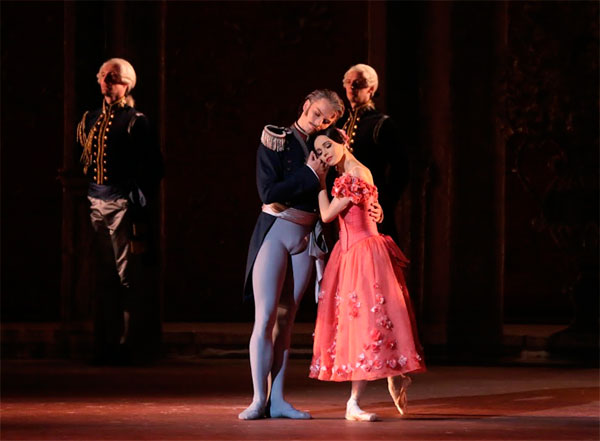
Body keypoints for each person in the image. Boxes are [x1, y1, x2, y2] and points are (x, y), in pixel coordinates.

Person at [239, 90, 345, 420]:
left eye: (327, 119)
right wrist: (311, 175)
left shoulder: (324, 147)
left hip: (306, 236)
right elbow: (269, 193)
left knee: (287, 321)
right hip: (276, 232)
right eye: (316, 114)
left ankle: (279, 400)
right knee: (266, 316)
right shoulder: (277, 140)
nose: (319, 122)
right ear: (305, 105)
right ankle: (259, 398)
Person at [309, 126, 425, 421]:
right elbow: (370, 207)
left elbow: (326, 214)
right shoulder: (354, 171)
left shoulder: (352, 173)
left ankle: (357, 400)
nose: (324, 153)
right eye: (319, 150)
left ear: (342, 142)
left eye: (327, 146)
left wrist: (319, 181)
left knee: (367, 321)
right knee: (368, 320)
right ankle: (392, 376)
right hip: (350, 253)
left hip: (362, 253)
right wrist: (379, 210)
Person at [76, 58, 163, 364]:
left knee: (127, 276)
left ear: (126, 84)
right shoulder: (91, 118)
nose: (105, 83)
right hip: (94, 203)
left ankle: (130, 344)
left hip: (122, 205)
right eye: (103, 77)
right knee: (102, 275)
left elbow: (153, 169)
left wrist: (137, 205)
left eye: (112, 78)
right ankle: (104, 343)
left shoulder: (135, 121)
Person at [338, 63, 409, 241]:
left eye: (358, 83)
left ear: (370, 89)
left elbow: (401, 170)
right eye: (348, 82)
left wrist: (383, 204)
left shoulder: (381, 124)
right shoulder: (340, 123)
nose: (351, 87)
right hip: (342, 209)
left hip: (370, 210)